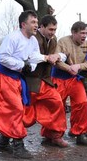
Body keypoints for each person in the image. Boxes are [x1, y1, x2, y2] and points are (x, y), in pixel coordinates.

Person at [0, 10, 61, 159]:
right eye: (33, 22)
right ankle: (18, 145)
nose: (36, 25)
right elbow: (2, 57)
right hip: (4, 77)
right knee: (15, 109)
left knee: (16, 109)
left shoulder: (33, 40)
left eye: (36, 22)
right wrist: (21, 65)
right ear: (24, 24)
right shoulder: (13, 38)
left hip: (16, 78)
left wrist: (41, 59)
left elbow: (34, 57)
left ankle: (3, 143)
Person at [22, 15, 69, 148]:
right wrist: (46, 58)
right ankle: (9, 137)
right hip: (31, 82)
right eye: (50, 29)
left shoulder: (53, 41)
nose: (53, 32)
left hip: (46, 81)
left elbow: (64, 55)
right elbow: (28, 57)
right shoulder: (32, 39)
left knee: (57, 103)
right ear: (42, 27)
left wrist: (58, 56)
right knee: (25, 114)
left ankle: (54, 136)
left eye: (55, 30)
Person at [53, 21, 87, 146]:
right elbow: (57, 60)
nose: (84, 36)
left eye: (86, 33)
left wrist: (78, 66)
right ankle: (53, 135)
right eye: (82, 33)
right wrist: (69, 68)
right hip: (59, 77)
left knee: (82, 102)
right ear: (73, 32)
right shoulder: (62, 42)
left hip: (75, 78)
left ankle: (80, 133)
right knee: (57, 105)